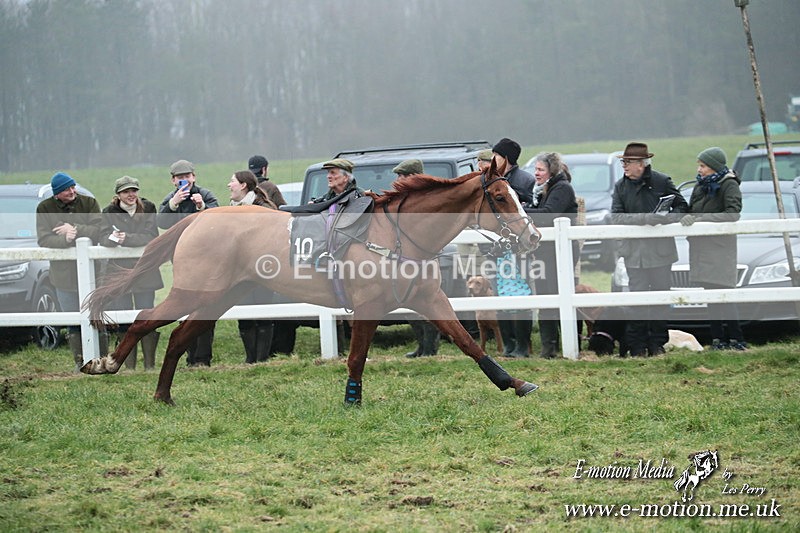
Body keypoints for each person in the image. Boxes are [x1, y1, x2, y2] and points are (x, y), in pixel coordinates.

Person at [611, 142, 687, 357]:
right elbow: (616, 216)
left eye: (628, 162)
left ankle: (657, 345)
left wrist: (664, 220)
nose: (624, 166)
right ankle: (636, 347)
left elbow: (681, 206)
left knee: (661, 300)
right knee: (637, 300)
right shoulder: (620, 186)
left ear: (641, 164)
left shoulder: (662, 181)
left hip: (661, 253)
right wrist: (647, 219)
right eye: (623, 162)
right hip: (634, 254)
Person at [680, 147, 747, 351]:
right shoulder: (700, 186)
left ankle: (736, 339)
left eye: (703, 166)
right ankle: (718, 339)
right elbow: (693, 210)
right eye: (699, 165)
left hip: (720, 250)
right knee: (710, 297)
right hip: (701, 249)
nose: (699, 170)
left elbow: (732, 214)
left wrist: (701, 219)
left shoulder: (729, 184)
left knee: (725, 296)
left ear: (714, 167)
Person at [36, 171, 104, 370]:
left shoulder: (89, 203)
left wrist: (74, 228)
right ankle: (80, 362)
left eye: (73, 186)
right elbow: (44, 239)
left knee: (96, 314)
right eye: (67, 189)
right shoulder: (44, 208)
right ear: (57, 193)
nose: (72, 191)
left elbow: (98, 231)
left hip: (93, 273)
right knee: (73, 318)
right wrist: (64, 240)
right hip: (63, 276)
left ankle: (102, 358)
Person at [157, 159, 220, 366]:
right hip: (183, 261)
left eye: (187, 176)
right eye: (180, 178)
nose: (184, 180)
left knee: (206, 307)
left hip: (207, 260)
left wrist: (201, 206)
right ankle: (189, 356)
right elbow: (161, 223)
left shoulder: (206, 195)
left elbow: (218, 221)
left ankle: (203, 358)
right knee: (185, 307)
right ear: (173, 181)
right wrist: (173, 204)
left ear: (194, 177)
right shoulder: (170, 200)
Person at [99, 176, 163, 370]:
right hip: (119, 272)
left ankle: (149, 365)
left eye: (134, 190)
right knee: (123, 316)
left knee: (146, 314)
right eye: (126, 191)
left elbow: (151, 236)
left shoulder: (148, 207)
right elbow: (103, 237)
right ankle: (129, 365)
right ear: (118, 194)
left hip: (145, 269)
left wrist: (126, 238)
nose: (131, 195)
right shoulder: (109, 212)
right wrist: (113, 238)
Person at [524, 152, 579, 358]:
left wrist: (523, 213)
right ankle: (549, 345)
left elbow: (549, 214)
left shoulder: (562, 188)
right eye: (535, 169)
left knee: (558, 296)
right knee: (546, 297)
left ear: (551, 171)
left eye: (540, 170)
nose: (536, 173)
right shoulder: (544, 189)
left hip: (559, 254)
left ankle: (561, 345)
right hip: (545, 253)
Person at [390, 159, 442, 358]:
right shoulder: (402, 198)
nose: (398, 180)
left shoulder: (425, 199)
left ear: (413, 176)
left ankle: (430, 348)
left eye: (402, 176)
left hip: (424, 259)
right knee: (408, 303)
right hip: (405, 259)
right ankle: (421, 346)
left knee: (426, 303)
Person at [490, 138, 536, 356]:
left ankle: (522, 344)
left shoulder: (524, 180)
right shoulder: (494, 178)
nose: (492, 160)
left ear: (505, 158)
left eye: (496, 156)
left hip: (517, 247)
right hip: (499, 247)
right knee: (501, 293)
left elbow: (525, 205)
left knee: (521, 293)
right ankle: (508, 343)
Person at [228, 170, 278, 363]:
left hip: (263, 269)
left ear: (243, 185)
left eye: (232, 181)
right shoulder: (231, 208)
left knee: (264, 314)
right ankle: (250, 360)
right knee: (244, 316)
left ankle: (262, 359)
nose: (228, 185)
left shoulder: (264, 207)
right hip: (239, 272)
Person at [491, 137, 536, 205]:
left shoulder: (526, 181)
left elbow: (531, 206)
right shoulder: (489, 178)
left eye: (496, 155)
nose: (492, 158)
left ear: (506, 158)